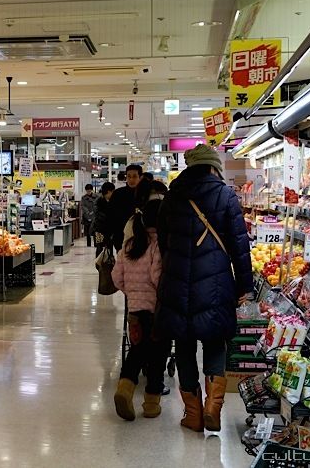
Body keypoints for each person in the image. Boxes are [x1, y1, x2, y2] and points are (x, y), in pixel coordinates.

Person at [156, 144, 253, 433]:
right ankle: (213, 406)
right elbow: (239, 246)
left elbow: (163, 241)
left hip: (177, 281)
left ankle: (193, 414)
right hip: (216, 281)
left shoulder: (171, 196)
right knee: (214, 340)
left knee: (184, 344)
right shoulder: (225, 195)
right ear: (213, 167)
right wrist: (245, 286)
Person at [111, 198, 169, 421]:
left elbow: (116, 277)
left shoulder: (128, 245)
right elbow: (157, 277)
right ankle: (151, 404)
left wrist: (132, 292)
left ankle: (124, 390)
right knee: (158, 355)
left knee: (137, 350)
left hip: (135, 310)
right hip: (156, 311)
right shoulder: (158, 245)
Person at [109, 164, 142, 251]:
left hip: (141, 238)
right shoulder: (118, 194)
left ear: (140, 177)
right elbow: (111, 215)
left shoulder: (144, 195)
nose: (131, 179)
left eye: (134, 176)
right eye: (129, 176)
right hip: (121, 237)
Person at [92, 182, 115, 255]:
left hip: (110, 229)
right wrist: (109, 217)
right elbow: (97, 214)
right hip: (99, 229)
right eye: (113, 191)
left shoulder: (113, 201)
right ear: (109, 191)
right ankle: (99, 261)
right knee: (99, 247)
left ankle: (109, 260)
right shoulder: (98, 201)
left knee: (110, 246)